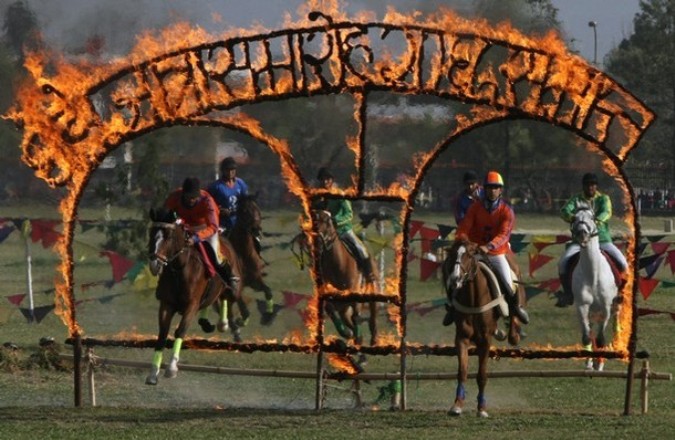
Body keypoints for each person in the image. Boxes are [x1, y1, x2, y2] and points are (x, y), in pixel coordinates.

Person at [442, 171, 529, 326]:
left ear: (501, 190)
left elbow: (504, 234)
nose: (492, 190)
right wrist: (463, 240)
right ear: (485, 188)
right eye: (489, 187)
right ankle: (452, 307)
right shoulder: (475, 208)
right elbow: (464, 226)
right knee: (450, 270)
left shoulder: (507, 210)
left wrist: (489, 246)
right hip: (474, 251)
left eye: (496, 187)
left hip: (496, 253)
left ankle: (516, 308)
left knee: (509, 282)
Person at [555, 173, 628, 307]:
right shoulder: (576, 199)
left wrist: (595, 221)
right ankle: (568, 294)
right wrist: (572, 218)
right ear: (583, 186)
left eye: (593, 185)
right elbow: (564, 210)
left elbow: (607, 212)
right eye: (587, 185)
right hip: (580, 242)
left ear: (596, 186)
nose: (590, 187)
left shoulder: (603, 199)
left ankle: (621, 293)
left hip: (603, 240)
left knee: (623, 263)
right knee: (563, 263)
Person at [164, 177, 239, 292]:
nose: (191, 200)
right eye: (188, 197)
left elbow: (213, 227)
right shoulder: (175, 196)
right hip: (184, 227)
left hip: (205, 230)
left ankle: (230, 277)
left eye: (194, 197)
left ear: (199, 195)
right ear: (183, 193)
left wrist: (196, 238)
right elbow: (166, 211)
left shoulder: (208, 201)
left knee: (216, 256)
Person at [315, 167, 376, 284]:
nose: (325, 182)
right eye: (322, 180)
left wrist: (335, 220)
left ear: (332, 180)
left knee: (361, 249)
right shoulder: (319, 196)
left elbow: (349, 214)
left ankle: (369, 276)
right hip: (327, 233)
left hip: (344, 230)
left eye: (327, 179)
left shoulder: (340, 195)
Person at [207, 157, 249, 235]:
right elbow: (208, 205)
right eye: (227, 170)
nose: (230, 173)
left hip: (238, 223)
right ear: (222, 171)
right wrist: (219, 210)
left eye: (232, 170)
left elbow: (246, 201)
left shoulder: (241, 184)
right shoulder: (215, 187)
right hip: (221, 224)